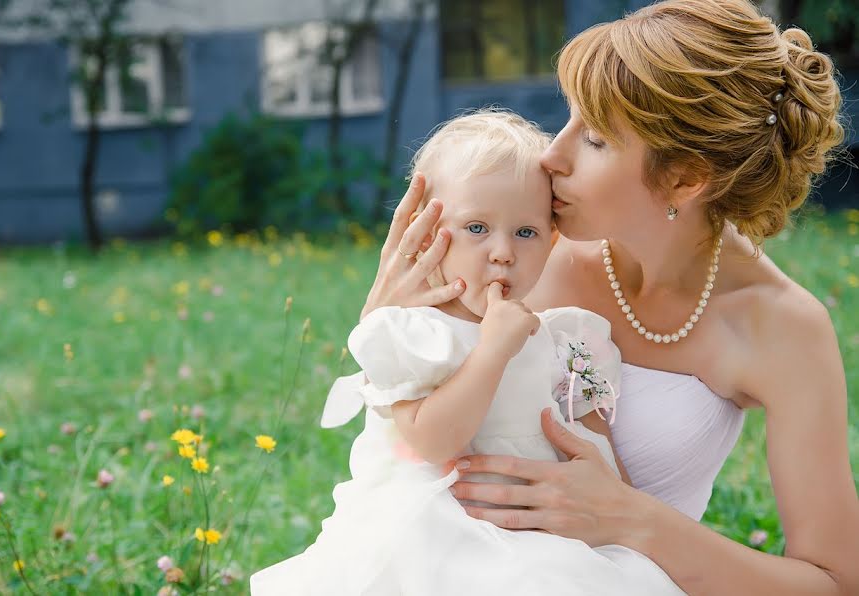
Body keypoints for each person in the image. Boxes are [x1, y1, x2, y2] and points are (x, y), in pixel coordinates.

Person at [353, 0, 859, 594]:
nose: (551, 154)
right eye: (567, 120)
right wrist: (380, 322)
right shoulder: (524, 253)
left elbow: (834, 580)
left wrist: (632, 519)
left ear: (685, 178)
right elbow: (405, 419)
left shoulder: (781, 327)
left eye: (592, 138)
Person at [250, 110, 684, 595]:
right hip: (439, 525)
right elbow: (431, 442)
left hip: (544, 529)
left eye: (526, 232)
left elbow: (596, 444)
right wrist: (493, 350)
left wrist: (619, 521)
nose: (502, 251)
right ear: (430, 231)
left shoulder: (569, 339)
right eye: (477, 228)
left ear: (551, 240)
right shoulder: (416, 333)